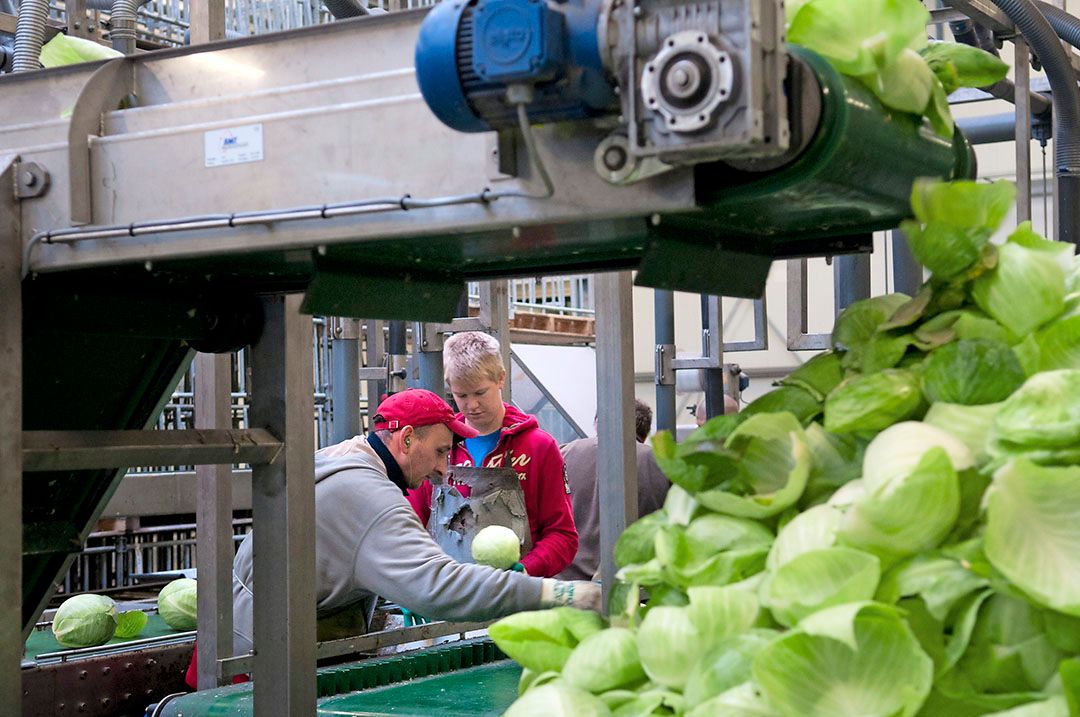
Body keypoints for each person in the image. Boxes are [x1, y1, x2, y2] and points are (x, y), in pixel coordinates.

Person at [220, 389, 599, 670]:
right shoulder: (369, 496)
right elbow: (440, 585)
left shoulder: (342, 456)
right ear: (406, 440)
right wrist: (558, 592)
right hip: (262, 669)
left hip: (243, 644)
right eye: (439, 451)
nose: (443, 469)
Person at [406, 332, 578, 578]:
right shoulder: (436, 449)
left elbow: (563, 536)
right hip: (451, 592)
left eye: (479, 393)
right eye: (461, 395)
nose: (471, 405)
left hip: (519, 599)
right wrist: (415, 582)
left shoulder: (539, 448)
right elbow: (410, 527)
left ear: (501, 379)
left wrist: (526, 570)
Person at [558, 400, 671, 581]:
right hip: (630, 584)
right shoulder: (660, 463)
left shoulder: (564, 453)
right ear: (645, 432)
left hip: (566, 583)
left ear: (597, 424)